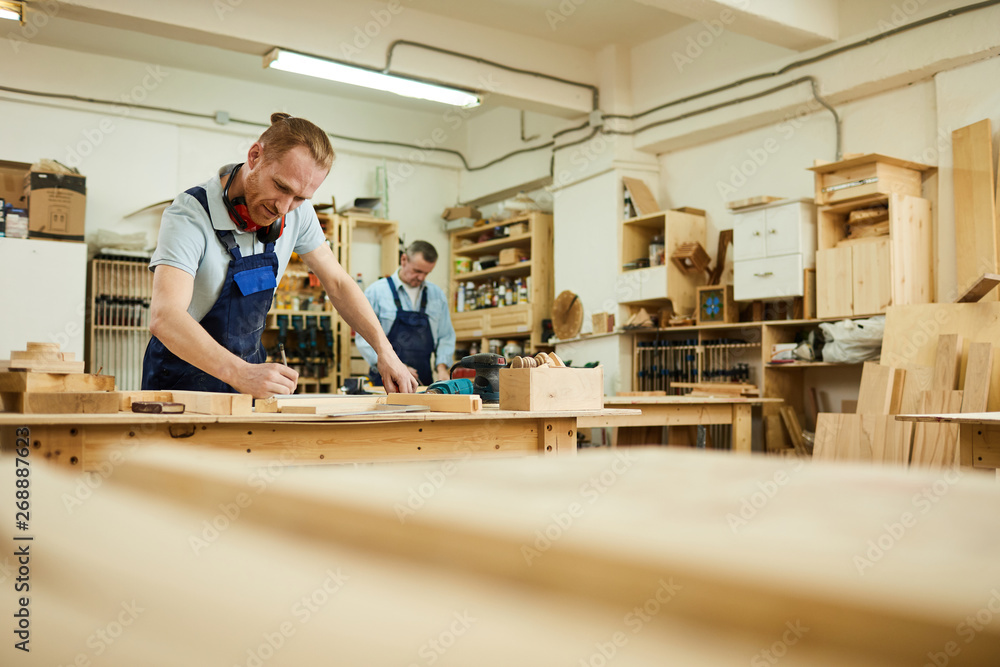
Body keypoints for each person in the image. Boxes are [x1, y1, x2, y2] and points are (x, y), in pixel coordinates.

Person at [142, 112, 417, 397]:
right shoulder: (189, 215)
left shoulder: (298, 214)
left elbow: (338, 283)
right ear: (254, 156)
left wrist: (385, 351)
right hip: (181, 383)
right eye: (281, 187)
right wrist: (239, 373)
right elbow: (165, 317)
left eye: (299, 198)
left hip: (249, 379)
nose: (284, 208)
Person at [356, 241, 456, 386]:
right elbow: (363, 339)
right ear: (404, 260)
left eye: (426, 273)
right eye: (417, 271)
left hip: (423, 383)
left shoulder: (437, 295)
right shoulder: (376, 292)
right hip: (385, 381)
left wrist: (442, 369)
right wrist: (395, 366)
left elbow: (446, 336)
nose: (421, 277)